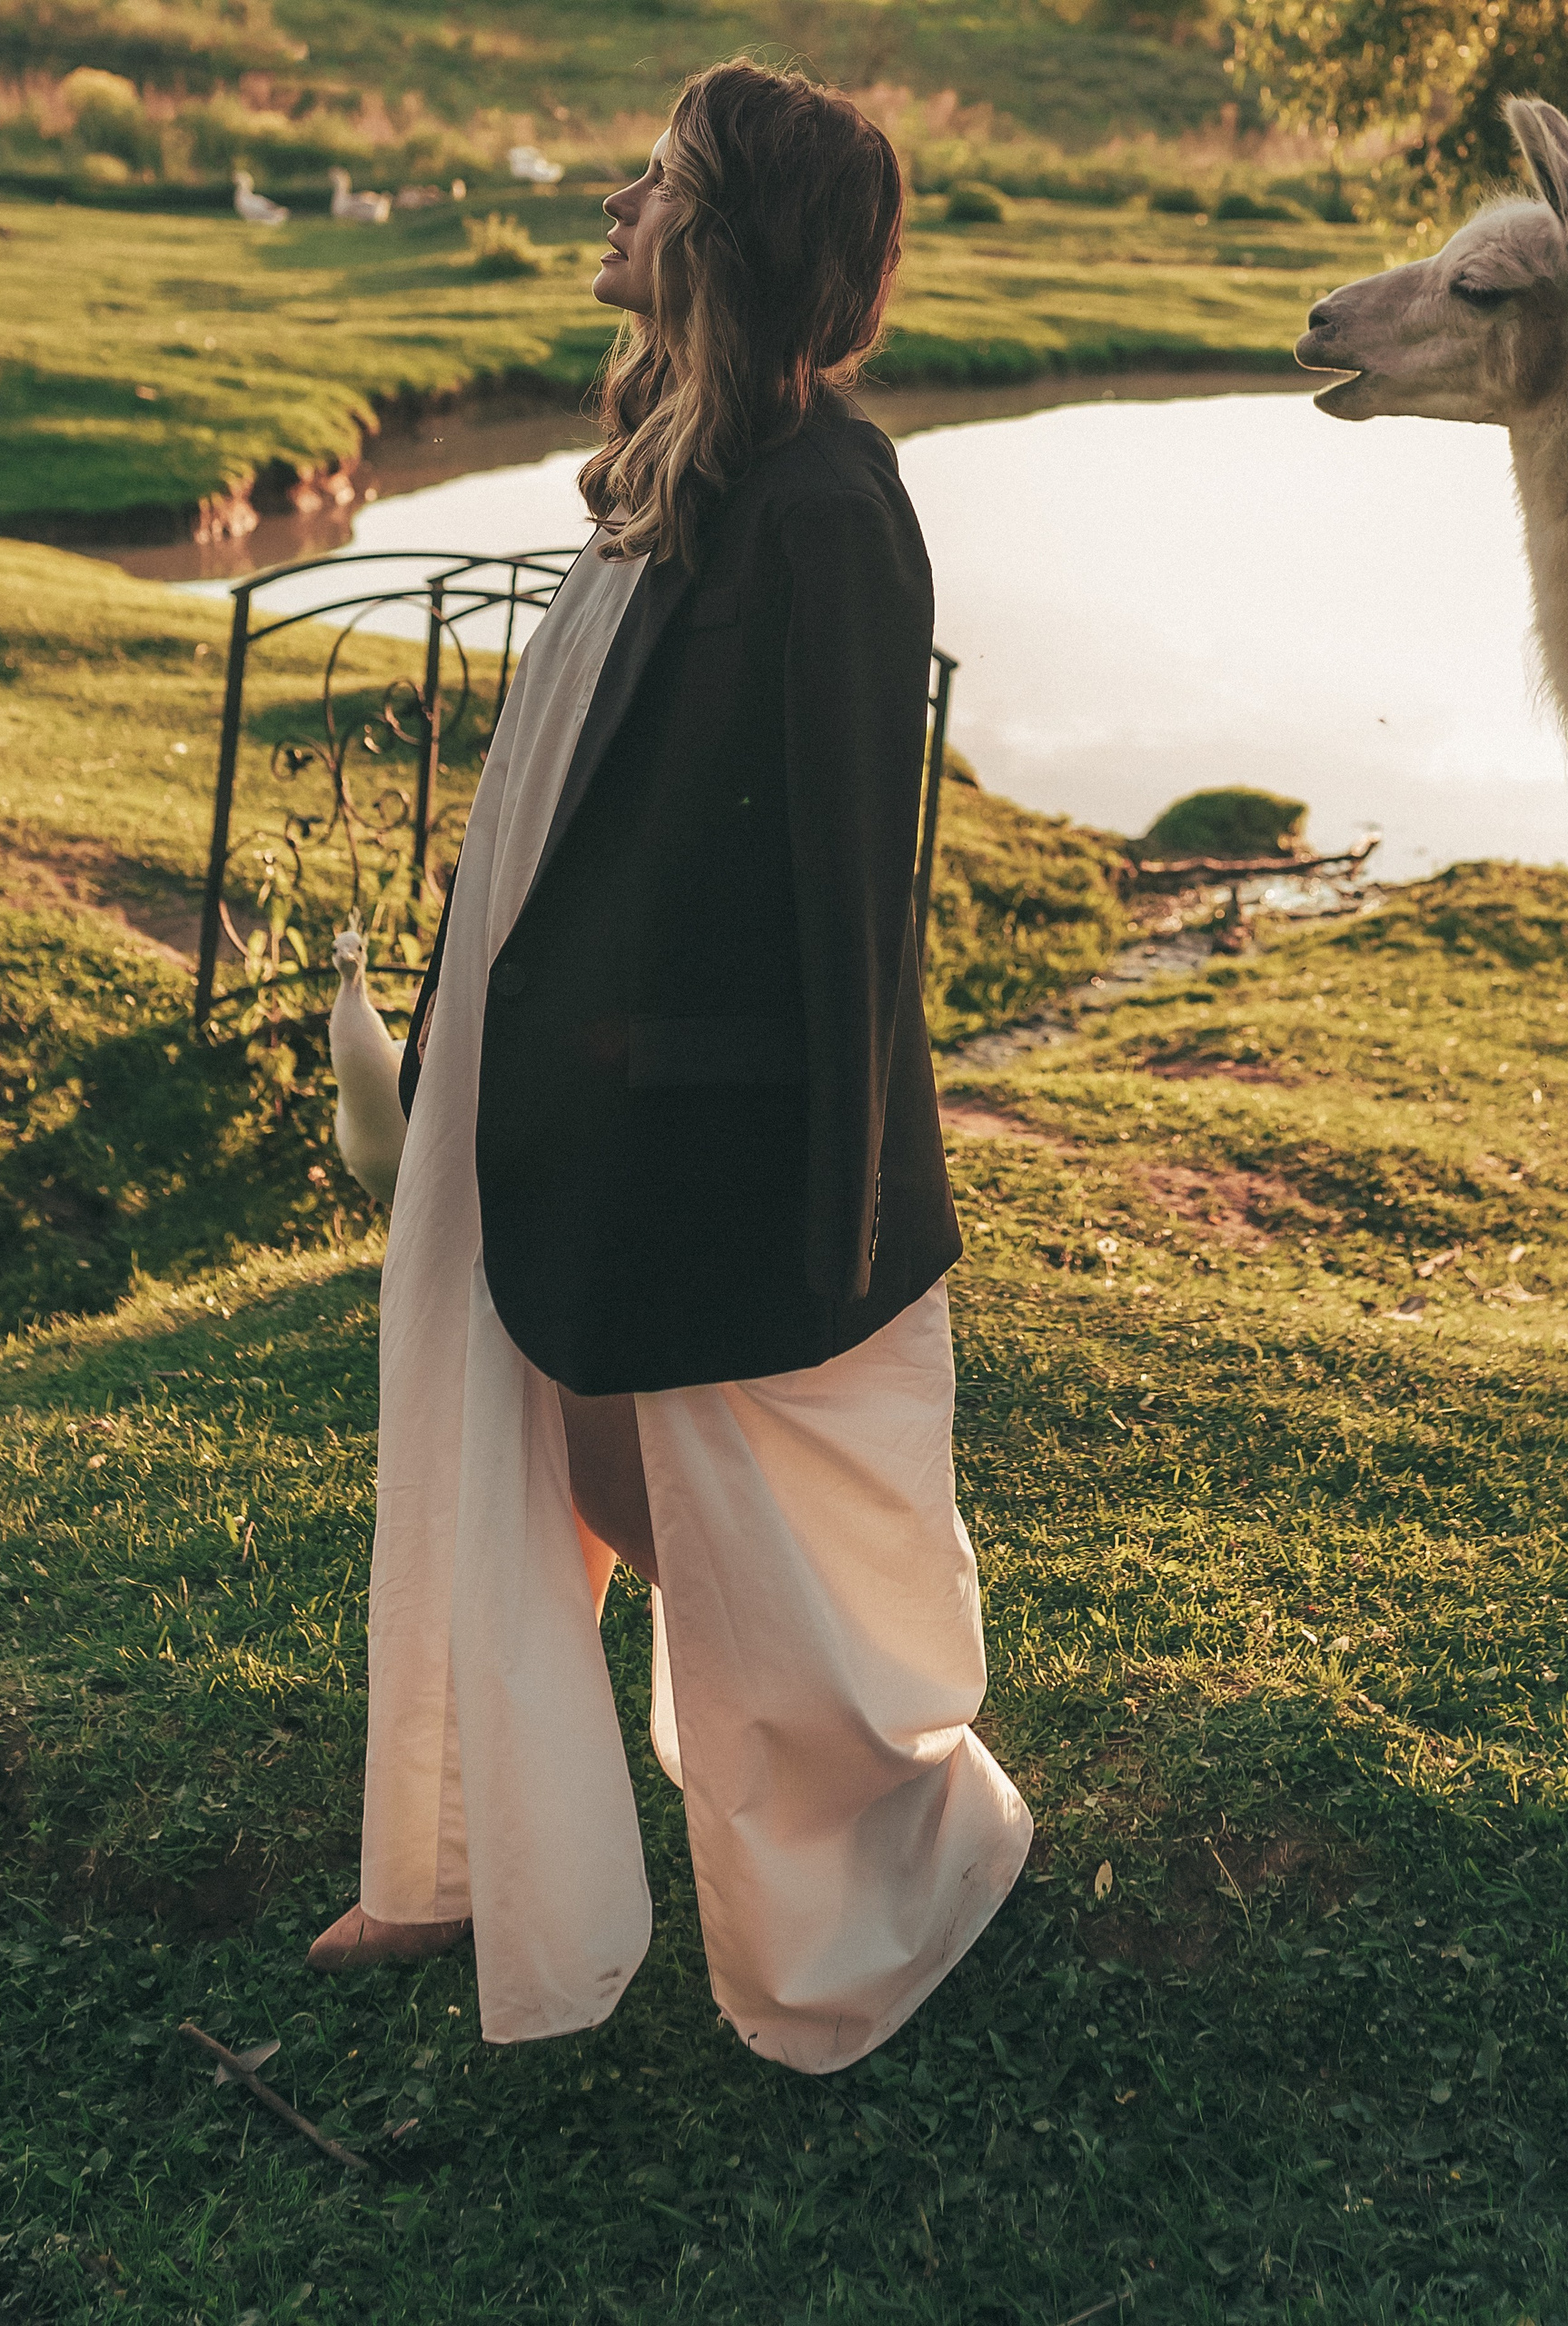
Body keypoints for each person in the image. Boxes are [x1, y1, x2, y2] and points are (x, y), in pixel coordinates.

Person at [305, 61, 1032, 2073]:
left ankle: (879, 1868)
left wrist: (813, 1206)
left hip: (681, 1135)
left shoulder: (827, 506)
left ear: (719, 234)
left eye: (655, 179)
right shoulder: (661, 455)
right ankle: (454, 1855)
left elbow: (839, 908)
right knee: (486, 1434)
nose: (617, 202)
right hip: (527, 1073)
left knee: (732, 1532)